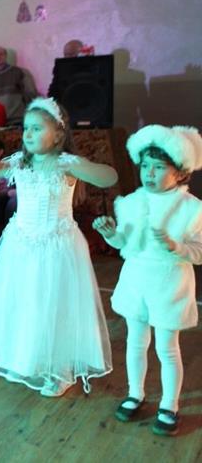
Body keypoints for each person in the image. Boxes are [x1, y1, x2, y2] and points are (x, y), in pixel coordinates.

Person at [0, 97, 118, 397]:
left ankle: (59, 369)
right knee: (25, 302)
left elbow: (108, 176)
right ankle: (27, 358)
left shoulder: (65, 164)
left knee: (53, 306)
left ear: (58, 135)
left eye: (36, 128)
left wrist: (84, 169)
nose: (28, 134)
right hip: (21, 244)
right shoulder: (20, 161)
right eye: (26, 128)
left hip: (56, 246)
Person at [93, 125, 202, 436]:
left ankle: (170, 404)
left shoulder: (193, 209)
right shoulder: (131, 202)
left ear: (180, 172)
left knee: (167, 348)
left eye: (158, 167)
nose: (149, 173)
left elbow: (198, 251)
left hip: (169, 284)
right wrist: (111, 234)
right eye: (144, 166)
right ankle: (135, 393)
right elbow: (125, 244)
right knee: (135, 341)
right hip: (136, 280)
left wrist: (175, 246)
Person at [0, 46, 37, 125]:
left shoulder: (20, 72)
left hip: (18, 119)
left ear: (6, 55)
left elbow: (31, 93)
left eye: (1, 54)